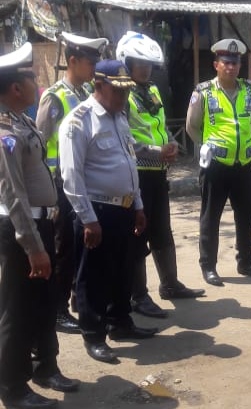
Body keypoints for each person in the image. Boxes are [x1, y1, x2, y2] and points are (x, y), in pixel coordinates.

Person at [59, 59, 158, 364]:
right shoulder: (79, 121)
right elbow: (71, 176)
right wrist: (88, 219)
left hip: (124, 209)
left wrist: (138, 205)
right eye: (117, 91)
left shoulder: (120, 118)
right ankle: (94, 334)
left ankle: (120, 322)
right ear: (98, 85)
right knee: (94, 277)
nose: (123, 97)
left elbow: (129, 164)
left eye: (126, 92)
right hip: (97, 211)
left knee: (123, 271)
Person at [0, 42, 79, 409]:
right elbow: (13, 195)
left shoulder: (23, 121)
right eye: (32, 78)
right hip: (22, 232)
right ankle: (13, 388)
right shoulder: (5, 131)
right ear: (17, 88)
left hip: (41, 224)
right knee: (17, 310)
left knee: (45, 303)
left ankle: (46, 367)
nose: (38, 84)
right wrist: (33, 247)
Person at [116, 31, 204, 319]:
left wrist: (171, 143)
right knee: (137, 236)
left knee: (162, 231)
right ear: (127, 63)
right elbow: (125, 138)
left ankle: (170, 284)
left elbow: (160, 124)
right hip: (136, 174)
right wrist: (156, 151)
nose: (145, 69)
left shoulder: (152, 89)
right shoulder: (122, 94)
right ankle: (138, 295)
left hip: (157, 174)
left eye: (149, 64)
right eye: (139, 64)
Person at [36, 31, 108, 333]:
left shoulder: (88, 93)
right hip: (61, 186)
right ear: (74, 61)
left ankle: (80, 299)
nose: (94, 68)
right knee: (64, 249)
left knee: (83, 247)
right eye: (90, 63)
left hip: (87, 185)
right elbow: (39, 144)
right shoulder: (55, 97)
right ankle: (58, 309)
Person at [186, 38, 251, 286]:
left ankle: (246, 262)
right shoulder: (204, 92)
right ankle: (208, 266)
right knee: (211, 217)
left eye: (235, 63)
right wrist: (206, 146)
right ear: (216, 65)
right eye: (226, 63)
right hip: (216, 165)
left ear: (240, 65)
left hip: (245, 164)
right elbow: (192, 126)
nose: (231, 67)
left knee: (247, 216)